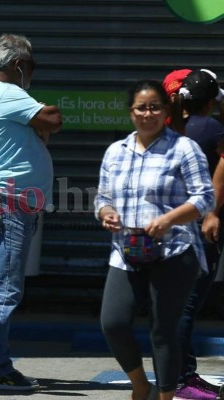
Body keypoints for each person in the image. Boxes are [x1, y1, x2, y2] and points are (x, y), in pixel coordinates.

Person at [96, 80, 215, 400]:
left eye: (155, 107)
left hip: (175, 252)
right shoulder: (116, 152)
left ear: (166, 111)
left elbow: (205, 198)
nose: (147, 114)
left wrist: (168, 219)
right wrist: (106, 212)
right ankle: (140, 386)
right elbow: (103, 198)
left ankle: (164, 397)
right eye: (141, 107)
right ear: (130, 111)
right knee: (113, 322)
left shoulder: (183, 148)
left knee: (164, 332)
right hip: (127, 252)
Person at [0, 33, 62, 391]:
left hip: (4, 205)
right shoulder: (6, 93)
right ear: (18, 66)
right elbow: (53, 119)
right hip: (4, 206)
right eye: (32, 67)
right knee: (1, 291)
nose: (32, 74)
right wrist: (40, 112)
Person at [167, 69, 224, 400]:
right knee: (187, 306)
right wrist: (214, 213)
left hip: (178, 226)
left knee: (179, 305)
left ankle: (183, 373)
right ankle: (179, 379)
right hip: (202, 228)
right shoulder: (212, 129)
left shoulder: (173, 128)